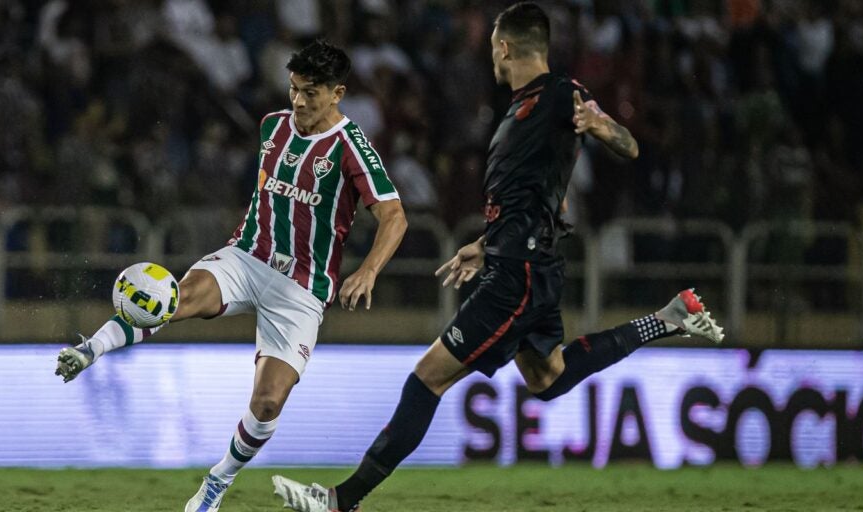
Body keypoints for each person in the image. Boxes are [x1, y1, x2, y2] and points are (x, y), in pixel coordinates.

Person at [271, 4, 723, 512]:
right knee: (547, 378)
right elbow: (534, 195)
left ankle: (340, 501)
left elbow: (630, 145)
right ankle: (668, 319)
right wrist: (486, 243)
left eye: (491, 47)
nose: (490, 54)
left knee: (427, 378)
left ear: (504, 47)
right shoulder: (522, 106)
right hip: (524, 263)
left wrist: (601, 126)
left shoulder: (559, 95)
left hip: (519, 275)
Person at [54, 40, 407, 512]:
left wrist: (368, 270)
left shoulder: (350, 147)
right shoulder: (272, 127)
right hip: (247, 257)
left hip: (301, 289)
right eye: (294, 90)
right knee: (172, 298)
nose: (299, 102)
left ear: (338, 93)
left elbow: (395, 216)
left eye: (312, 94)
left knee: (267, 403)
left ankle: (218, 480)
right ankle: (89, 349)